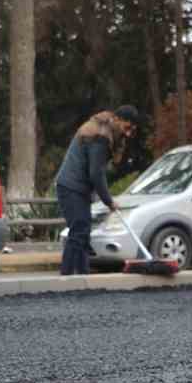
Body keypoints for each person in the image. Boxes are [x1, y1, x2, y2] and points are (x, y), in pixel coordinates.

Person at [54, 105, 142, 275]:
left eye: (133, 130)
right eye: (128, 127)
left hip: (79, 189)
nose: (129, 133)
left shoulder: (106, 129)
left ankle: (82, 276)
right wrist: (108, 201)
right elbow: (96, 173)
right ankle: (66, 277)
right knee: (79, 230)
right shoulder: (100, 136)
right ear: (118, 119)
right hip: (70, 187)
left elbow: (95, 172)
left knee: (83, 232)